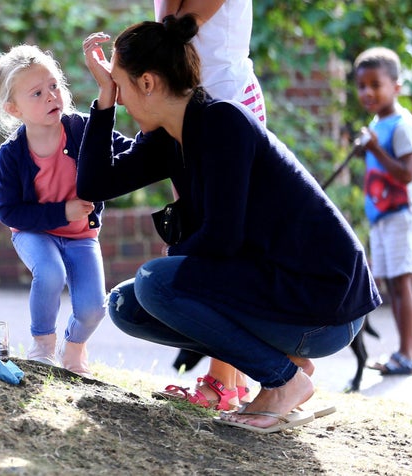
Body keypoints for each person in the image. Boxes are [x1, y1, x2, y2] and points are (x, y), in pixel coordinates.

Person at [77, 15, 380, 433]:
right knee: (127, 306)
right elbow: (94, 183)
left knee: (155, 283)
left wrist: (173, 263)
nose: (124, 101)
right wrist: (104, 97)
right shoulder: (169, 136)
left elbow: (223, 237)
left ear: (148, 82)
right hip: (279, 294)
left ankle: (284, 382)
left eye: (123, 85)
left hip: (324, 303)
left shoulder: (222, 122)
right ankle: (286, 366)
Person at [0, 44, 130, 377]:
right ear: (13, 109)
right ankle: (43, 346)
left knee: (93, 308)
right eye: (37, 93)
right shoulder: (11, 155)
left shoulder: (81, 128)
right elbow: (10, 213)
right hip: (35, 233)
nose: (51, 96)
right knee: (49, 273)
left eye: (54, 86)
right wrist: (63, 212)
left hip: (81, 236)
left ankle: (74, 347)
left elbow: (129, 151)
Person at [152, 0, 266, 410]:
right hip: (195, 103)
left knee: (220, 245)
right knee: (204, 237)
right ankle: (229, 383)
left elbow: (176, 26)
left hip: (224, 103)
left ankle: (224, 379)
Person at [354, 46, 412, 376]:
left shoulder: (401, 125)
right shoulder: (377, 124)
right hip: (383, 218)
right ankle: (401, 352)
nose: (367, 92)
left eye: (375, 84)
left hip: (403, 214)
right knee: (393, 286)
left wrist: (375, 149)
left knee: (402, 283)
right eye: (362, 86)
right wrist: (364, 150)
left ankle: (408, 354)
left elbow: (406, 173)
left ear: (396, 87)